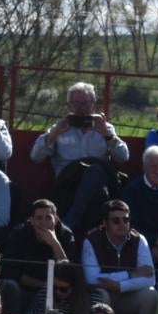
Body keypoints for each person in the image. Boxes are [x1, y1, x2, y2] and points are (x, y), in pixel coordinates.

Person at [32, 83, 130, 233]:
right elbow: (36, 156)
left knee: (95, 172)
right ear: (68, 106)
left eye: (85, 103)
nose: (81, 108)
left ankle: (69, 225)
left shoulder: (105, 128)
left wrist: (106, 134)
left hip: (99, 187)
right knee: (95, 180)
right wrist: (55, 132)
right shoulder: (60, 128)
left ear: (93, 105)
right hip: (67, 187)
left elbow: (123, 157)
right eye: (76, 103)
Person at [80, 198, 158, 314]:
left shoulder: (139, 240)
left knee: (150, 294)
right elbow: (93, 279)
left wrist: (119, 286)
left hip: (127, 297)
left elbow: (150, 278)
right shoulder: (91, 240)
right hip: (100, 297)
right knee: (102, 294)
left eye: (126, 219)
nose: (122, 224)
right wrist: (130, 274)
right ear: (105, 223)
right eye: (116, 221)